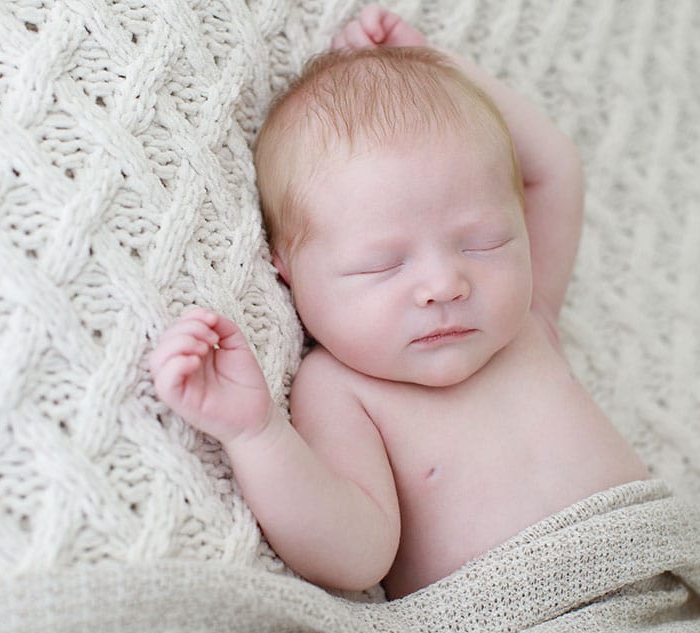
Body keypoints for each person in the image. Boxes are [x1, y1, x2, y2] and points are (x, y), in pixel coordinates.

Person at [149, 4, 648, 599]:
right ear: (287, 276)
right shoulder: (340, 388)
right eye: (383, 264)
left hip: (662, 583)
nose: (445, 284)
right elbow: (355, 554)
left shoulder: (526, 321)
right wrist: (256, 435)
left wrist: (439, 67)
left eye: (483, 243)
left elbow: (556, 169)